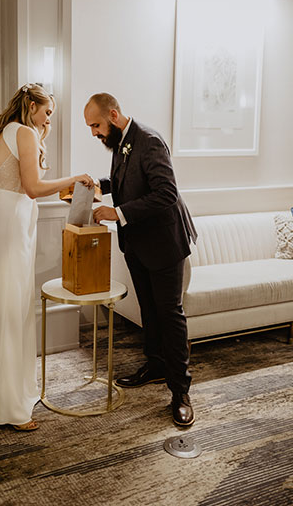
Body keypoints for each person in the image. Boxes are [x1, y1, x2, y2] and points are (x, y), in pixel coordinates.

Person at [0, 83, 93, 431]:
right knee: (11, 306)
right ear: (31, 105)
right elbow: (32, 188)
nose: (49, 119)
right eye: (47, 112)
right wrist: (76, 178)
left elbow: (14, 184)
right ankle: (10, 407)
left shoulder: (9, 132)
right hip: (10, 222)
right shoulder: (24, 133)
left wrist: (42, 136)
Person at [84, 93, 197, 426]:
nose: (94, 132)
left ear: (114, 115)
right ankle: (156, 364)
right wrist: (98, 185)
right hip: (136, 243)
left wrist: (116, 212)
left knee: (169, 315)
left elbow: (166, 193)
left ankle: (181, 391)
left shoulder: (148, 141)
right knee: (148, 309)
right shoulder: (121, 142)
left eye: (96, 125)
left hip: (164, 243)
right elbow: (126, 182)